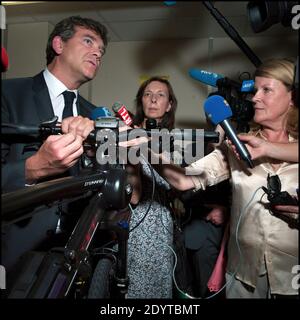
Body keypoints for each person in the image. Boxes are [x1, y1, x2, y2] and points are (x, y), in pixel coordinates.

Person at [132, 59, 298, 298]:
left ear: (292, 97)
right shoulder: (236, 146)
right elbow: (183, 181)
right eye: (254, 90)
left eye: (267, 90)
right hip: (243, 277)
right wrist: (145, 148)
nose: (254, 98)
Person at [1, 16, 108, 289]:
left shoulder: (94, 115)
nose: (98, 52)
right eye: (88, 41)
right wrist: (34, 167)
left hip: (74, 258)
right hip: (14, 252)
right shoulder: (8, 94)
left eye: (102, 50)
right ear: (58, 44)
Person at [126, 76, 177, 298]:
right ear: (141, 101)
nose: (153, 99)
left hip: (160, 225)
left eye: (160, 95)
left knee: (159, 288)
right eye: (148, 94)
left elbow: (171, 183)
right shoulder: (126, 135)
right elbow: (133, 195)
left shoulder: (174, 140)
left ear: (169, 105)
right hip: (131, 221)